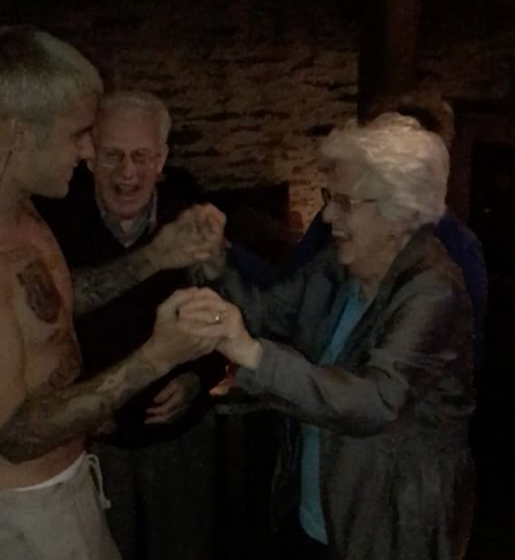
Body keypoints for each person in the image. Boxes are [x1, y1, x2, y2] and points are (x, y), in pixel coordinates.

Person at [0, 26, 218, 560]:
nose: (87, 150)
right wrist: (156, 356)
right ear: (18, 133)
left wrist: (156, 256)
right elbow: (15, 434)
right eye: (78, 134)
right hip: (21, 517)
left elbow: (51, 305)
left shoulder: (21, 210)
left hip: (68, 487)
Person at [180, 113, 476, 560]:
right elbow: (266, 312)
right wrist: (215, 261)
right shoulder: (340, 263)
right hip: (317, 504)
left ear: (398, 214)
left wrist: (254, 356)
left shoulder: (433, 290)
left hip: (388, 521)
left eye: (344, 202)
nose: (328, 215)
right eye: (328, 198)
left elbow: (376, 399)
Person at [36, 90, 221, 560]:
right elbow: (40, 326)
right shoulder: (54, 221)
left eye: (141, 156)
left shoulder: (190, 214)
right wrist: (80, 397)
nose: (127, 173)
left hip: (179, 437)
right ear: (90, 154)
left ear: (162, 159)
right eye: (112, 155)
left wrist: (199, 378)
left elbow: (225, 313)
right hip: (94, 443)